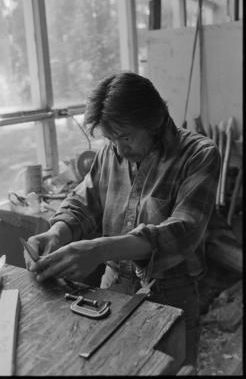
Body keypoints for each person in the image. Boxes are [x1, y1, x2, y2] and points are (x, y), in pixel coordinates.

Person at [26, 72, 220, 370]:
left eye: (126, 137)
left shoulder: (199, 155)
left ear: (154, 122)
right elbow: (82, 203)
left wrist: (100, 249)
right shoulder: (111, 154)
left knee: (167, 369)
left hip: (170, 294)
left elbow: (184, 231)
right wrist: (56, 232)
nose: (118, 148)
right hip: (112, 287)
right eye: (111, 138)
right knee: (110, 366)